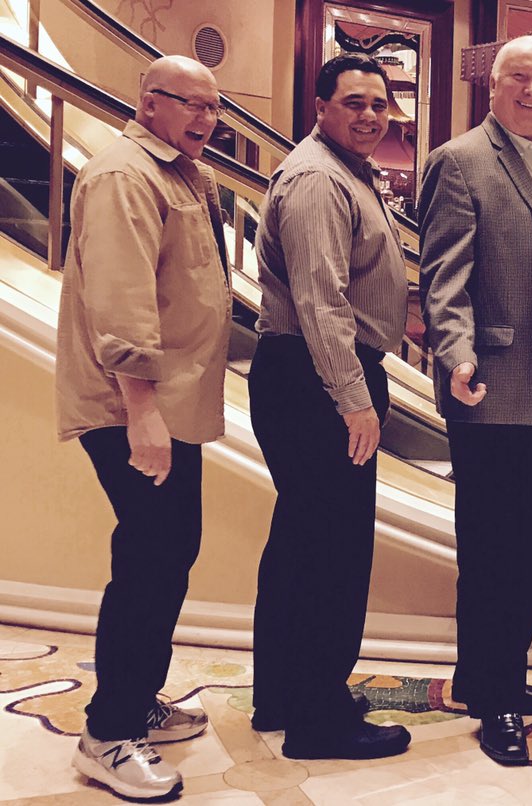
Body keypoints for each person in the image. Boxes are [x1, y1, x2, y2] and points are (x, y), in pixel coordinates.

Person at [56, 55, 230, 799]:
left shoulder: (181, 173)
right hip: (132, 404)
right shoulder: (124, 175)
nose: (204, 118)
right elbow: (121, 304)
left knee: (168, 551)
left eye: (212, 107)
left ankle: (136, 701)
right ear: (147, 102)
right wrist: (142, 412)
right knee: (151, 559)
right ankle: (108, 733)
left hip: (170, 401)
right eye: (187, 103)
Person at [418, 35, 532, 765]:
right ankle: (498, 696)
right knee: (492, 554)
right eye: (519, 77)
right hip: (488, 386)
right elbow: (442, 274)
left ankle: (488, 676)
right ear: (493, 85)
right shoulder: (459, 160)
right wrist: (455, 354)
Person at [247, 54, 410, 760]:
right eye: (354, 102)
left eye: (378, 103)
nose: (370, 115)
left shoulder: (346, 171)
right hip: (316, 380)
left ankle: (286, 696)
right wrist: (354, 400)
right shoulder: (318, 178)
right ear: (320, 107)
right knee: (332, 556)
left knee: (301, 544)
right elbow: (321, 302)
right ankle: (318, 720)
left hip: (308, 376)